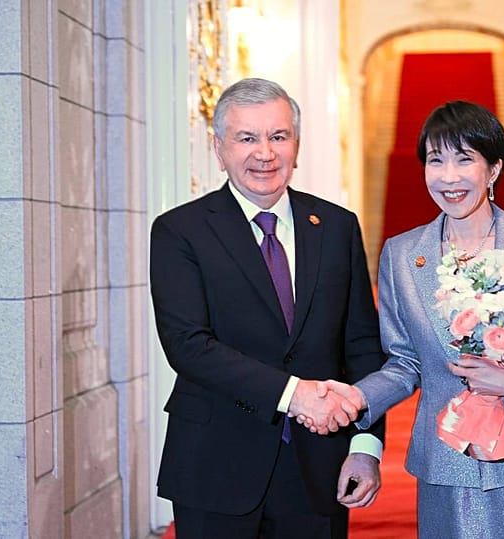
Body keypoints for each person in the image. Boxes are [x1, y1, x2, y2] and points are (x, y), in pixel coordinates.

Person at [301, 100, 504, 538]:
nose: (448, 177)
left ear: (493, 170)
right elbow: (403, 361)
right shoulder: (401, 254)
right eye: (436, 160)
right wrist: (354, 398)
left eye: (464, 159)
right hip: (447, 456)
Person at [149, 77, 385, 539]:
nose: (265, 153)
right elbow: (188, 346)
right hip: (216, 463)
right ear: (219, 148)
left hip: (320, 465)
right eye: (247, 138)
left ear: (296, 144)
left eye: (278, 136)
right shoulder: (180, 230)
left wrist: (365, 444)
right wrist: (293, 394)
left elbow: (361, 345)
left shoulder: (336, 226)